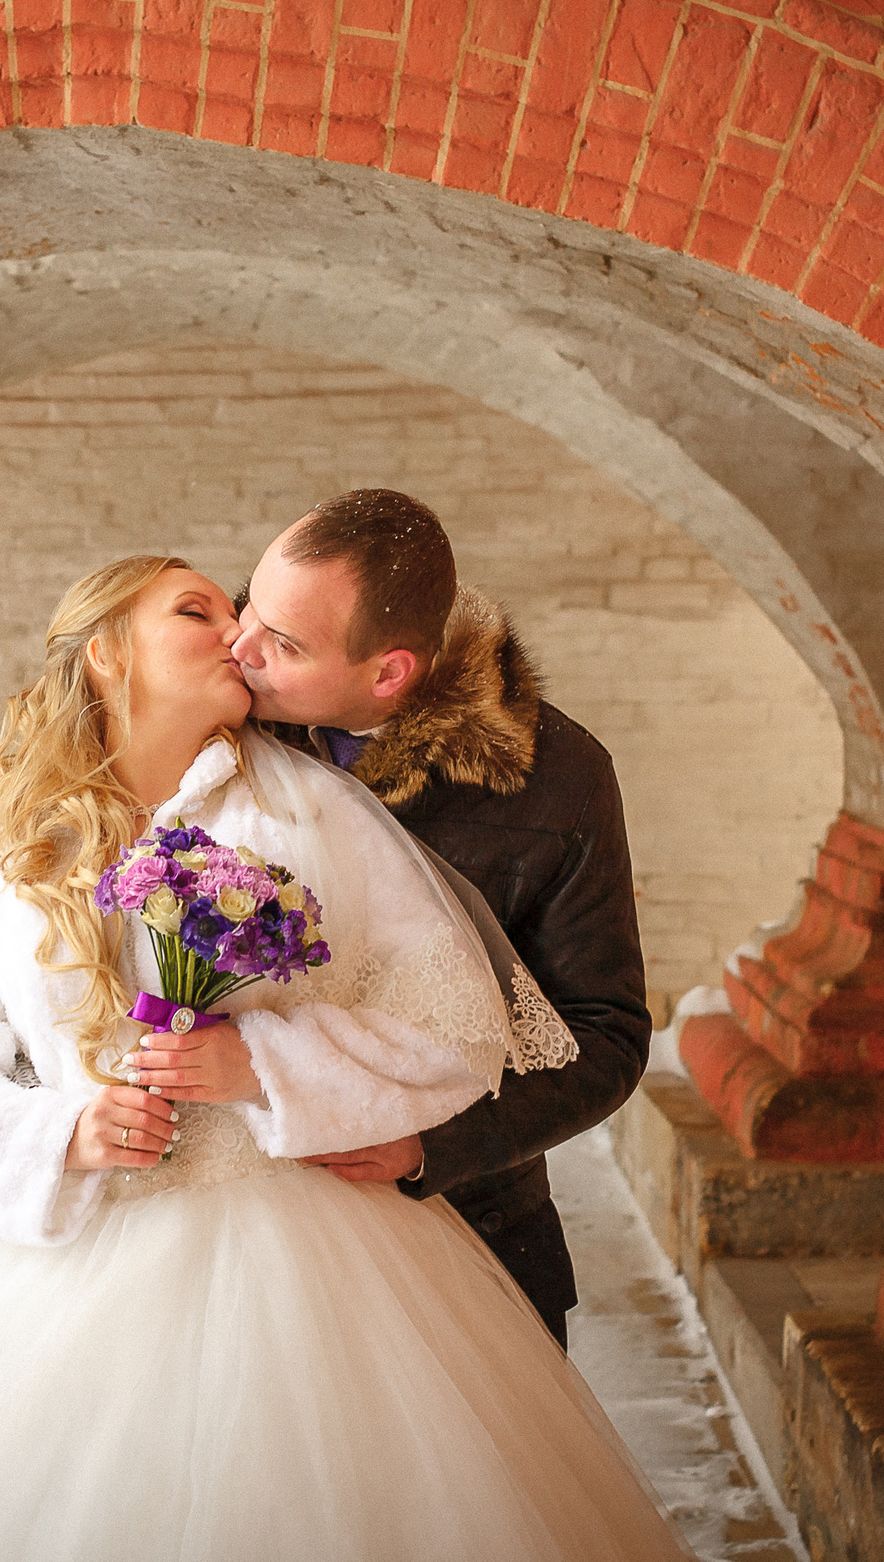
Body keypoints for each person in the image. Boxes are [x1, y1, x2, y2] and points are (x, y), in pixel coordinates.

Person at [0, 555, 690, 1562]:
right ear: (105, 653)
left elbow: (454, 1023)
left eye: (241, 608)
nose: (236, 629)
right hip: (75, 1281)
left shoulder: (308, 813)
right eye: (195, 610)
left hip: (313, 1256)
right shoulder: (2, 854)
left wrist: (260, 1066)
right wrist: (61, 1134)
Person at [231, 489, 653, 1347]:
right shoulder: (219, 713)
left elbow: (604, 1033)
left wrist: (432, 1145)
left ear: (388, 672)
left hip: (470, 1231)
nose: (239, 648)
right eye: (250, 604)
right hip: (245, 1235)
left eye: (283, 644)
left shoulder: (561, 781)